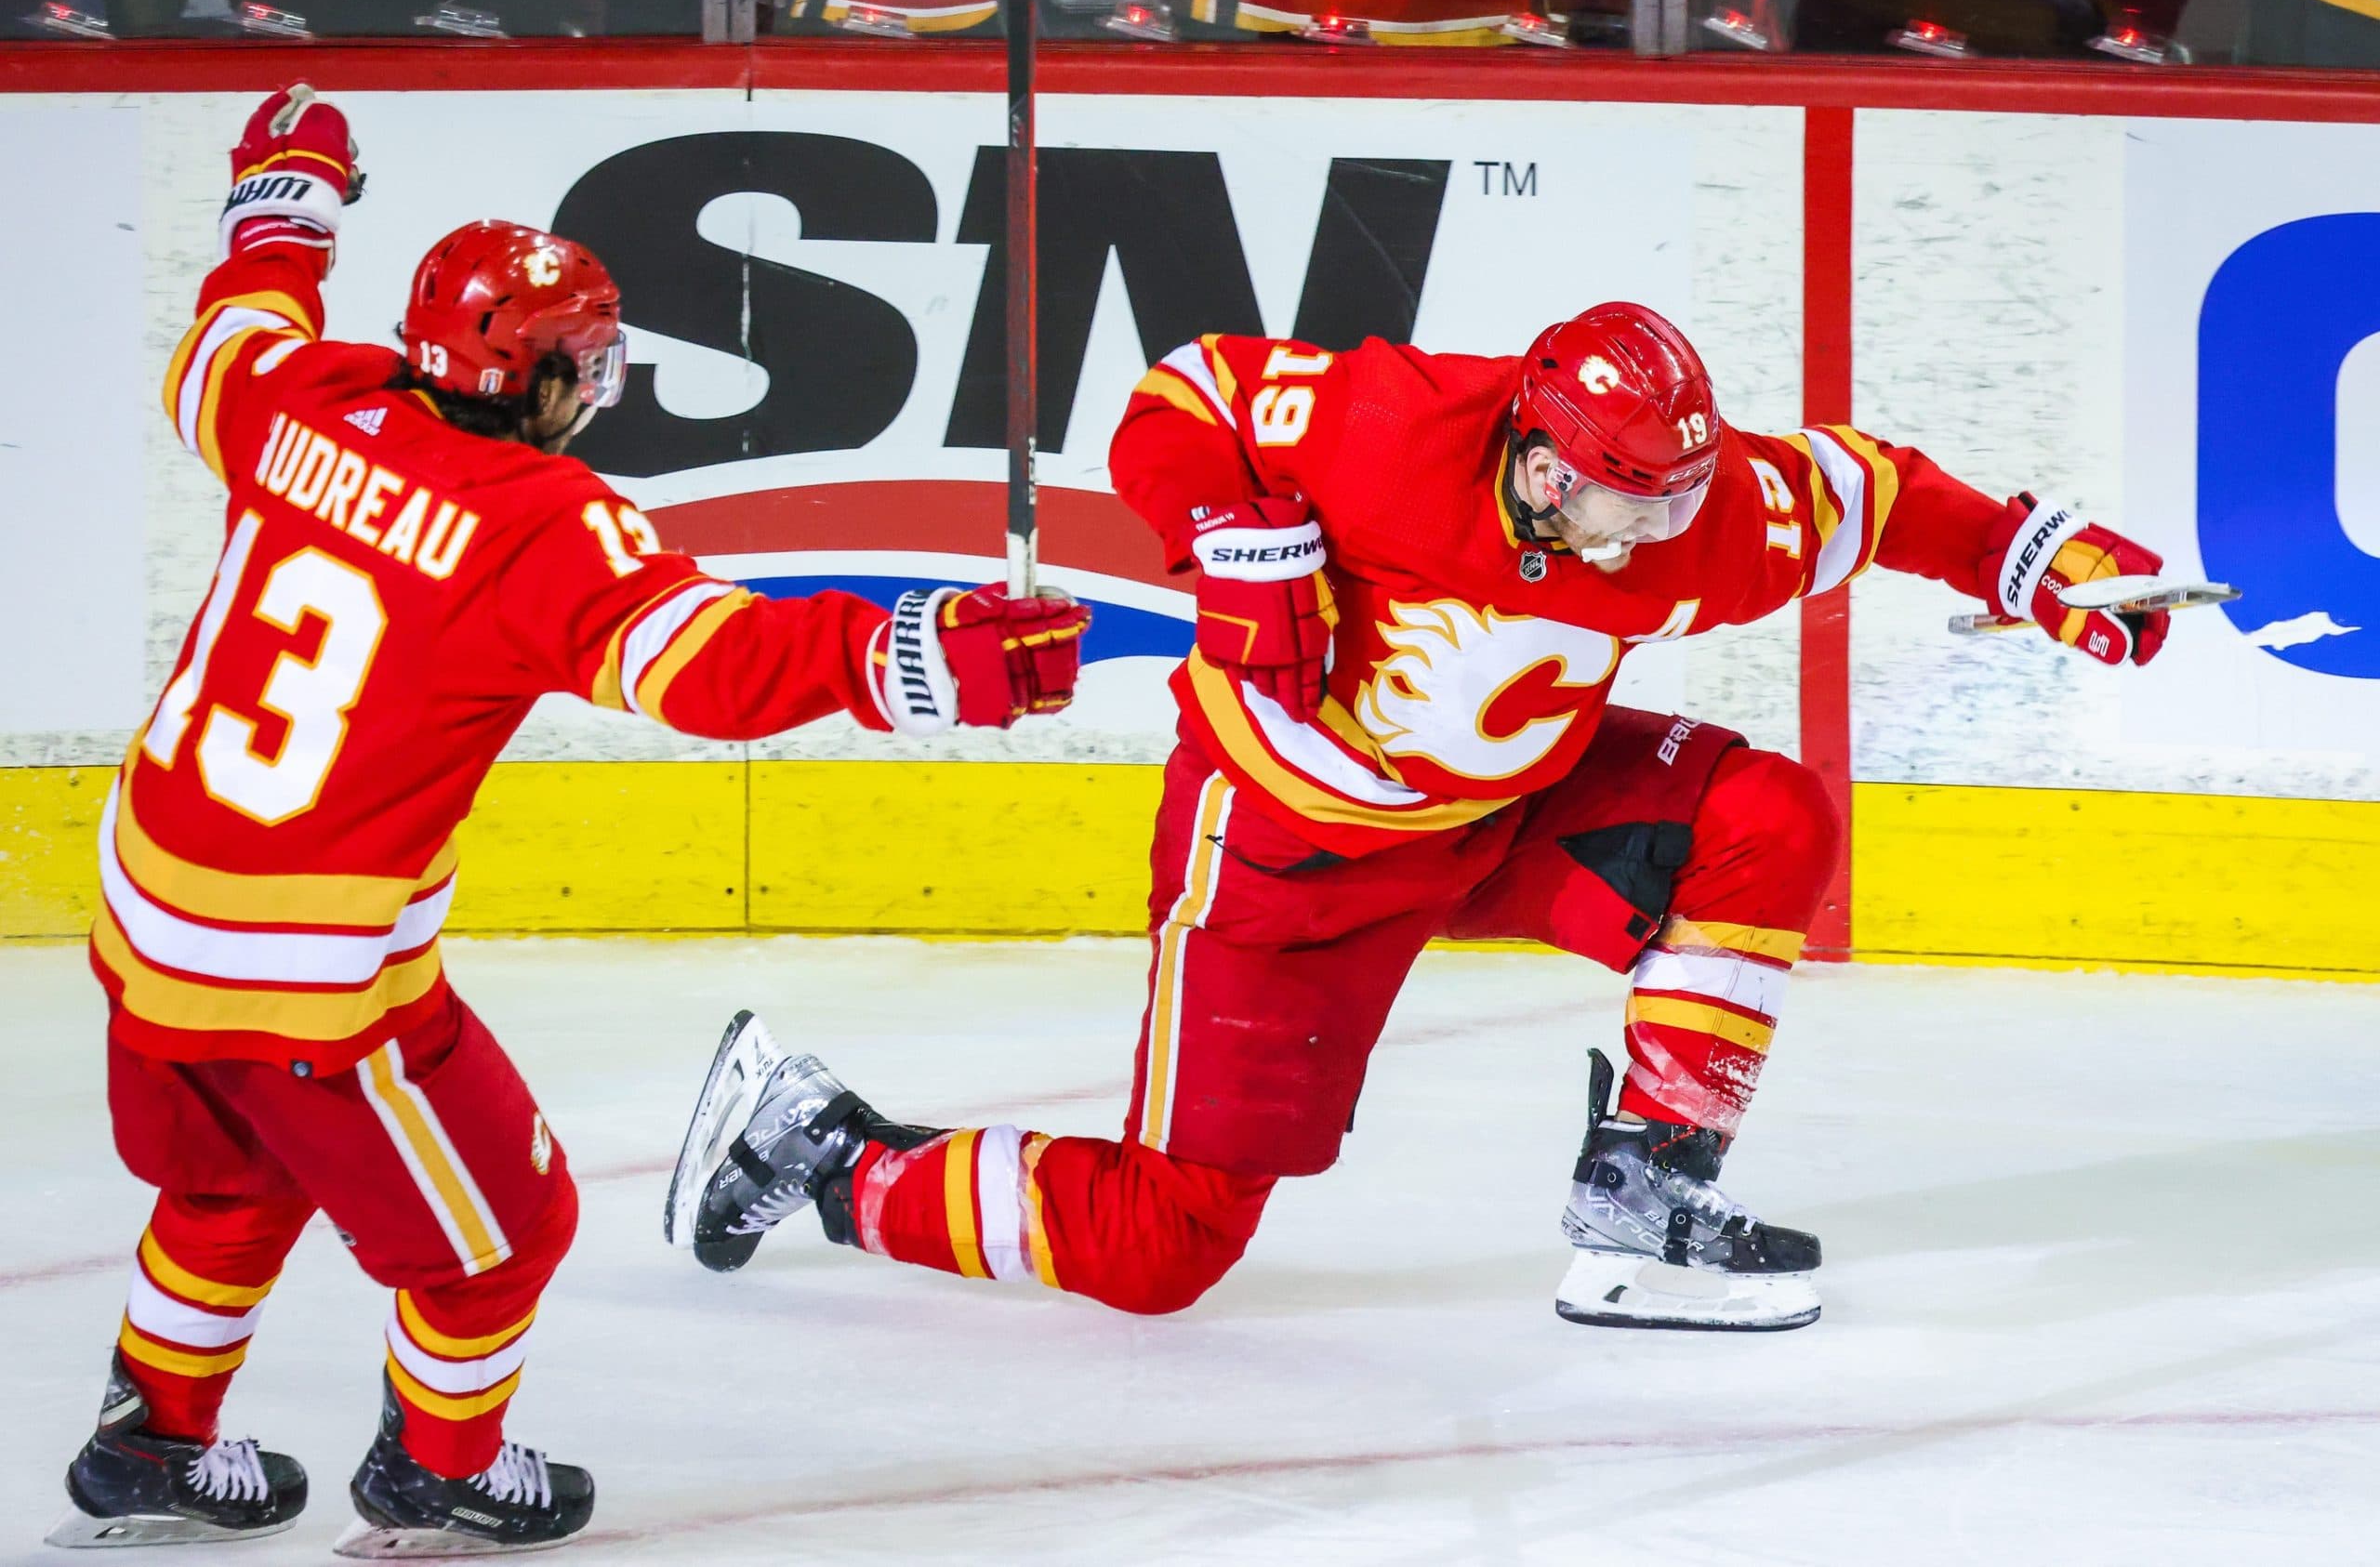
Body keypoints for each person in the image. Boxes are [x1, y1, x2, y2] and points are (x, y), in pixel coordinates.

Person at [668, 303, 2170, 1335]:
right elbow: (1178, 397)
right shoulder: (1391, 428)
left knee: (1766, 816)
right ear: (1534, 453)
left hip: (1502, 820)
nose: (1651, 536)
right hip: (1284, 856)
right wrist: (1241, 542)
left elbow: (1877, 493)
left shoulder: (1687, 516)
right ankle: (820, 1150)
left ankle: (1647, 1194)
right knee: (1160, 1249)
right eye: (1621, 504)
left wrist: (2040, 559)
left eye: (1671, 503)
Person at [50, 86, 1088, 1555]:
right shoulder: (539, 526)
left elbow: (233, 321)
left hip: (144, 920)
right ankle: (437, 1470)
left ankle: (149, 1438)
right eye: (585, 367)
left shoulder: (304, 399)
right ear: (530, 373)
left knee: (230, 1180)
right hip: (305, 979)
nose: (595, 393)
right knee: (505, 1234)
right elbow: (717, 669)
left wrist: (287, 193)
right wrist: (929, 654)